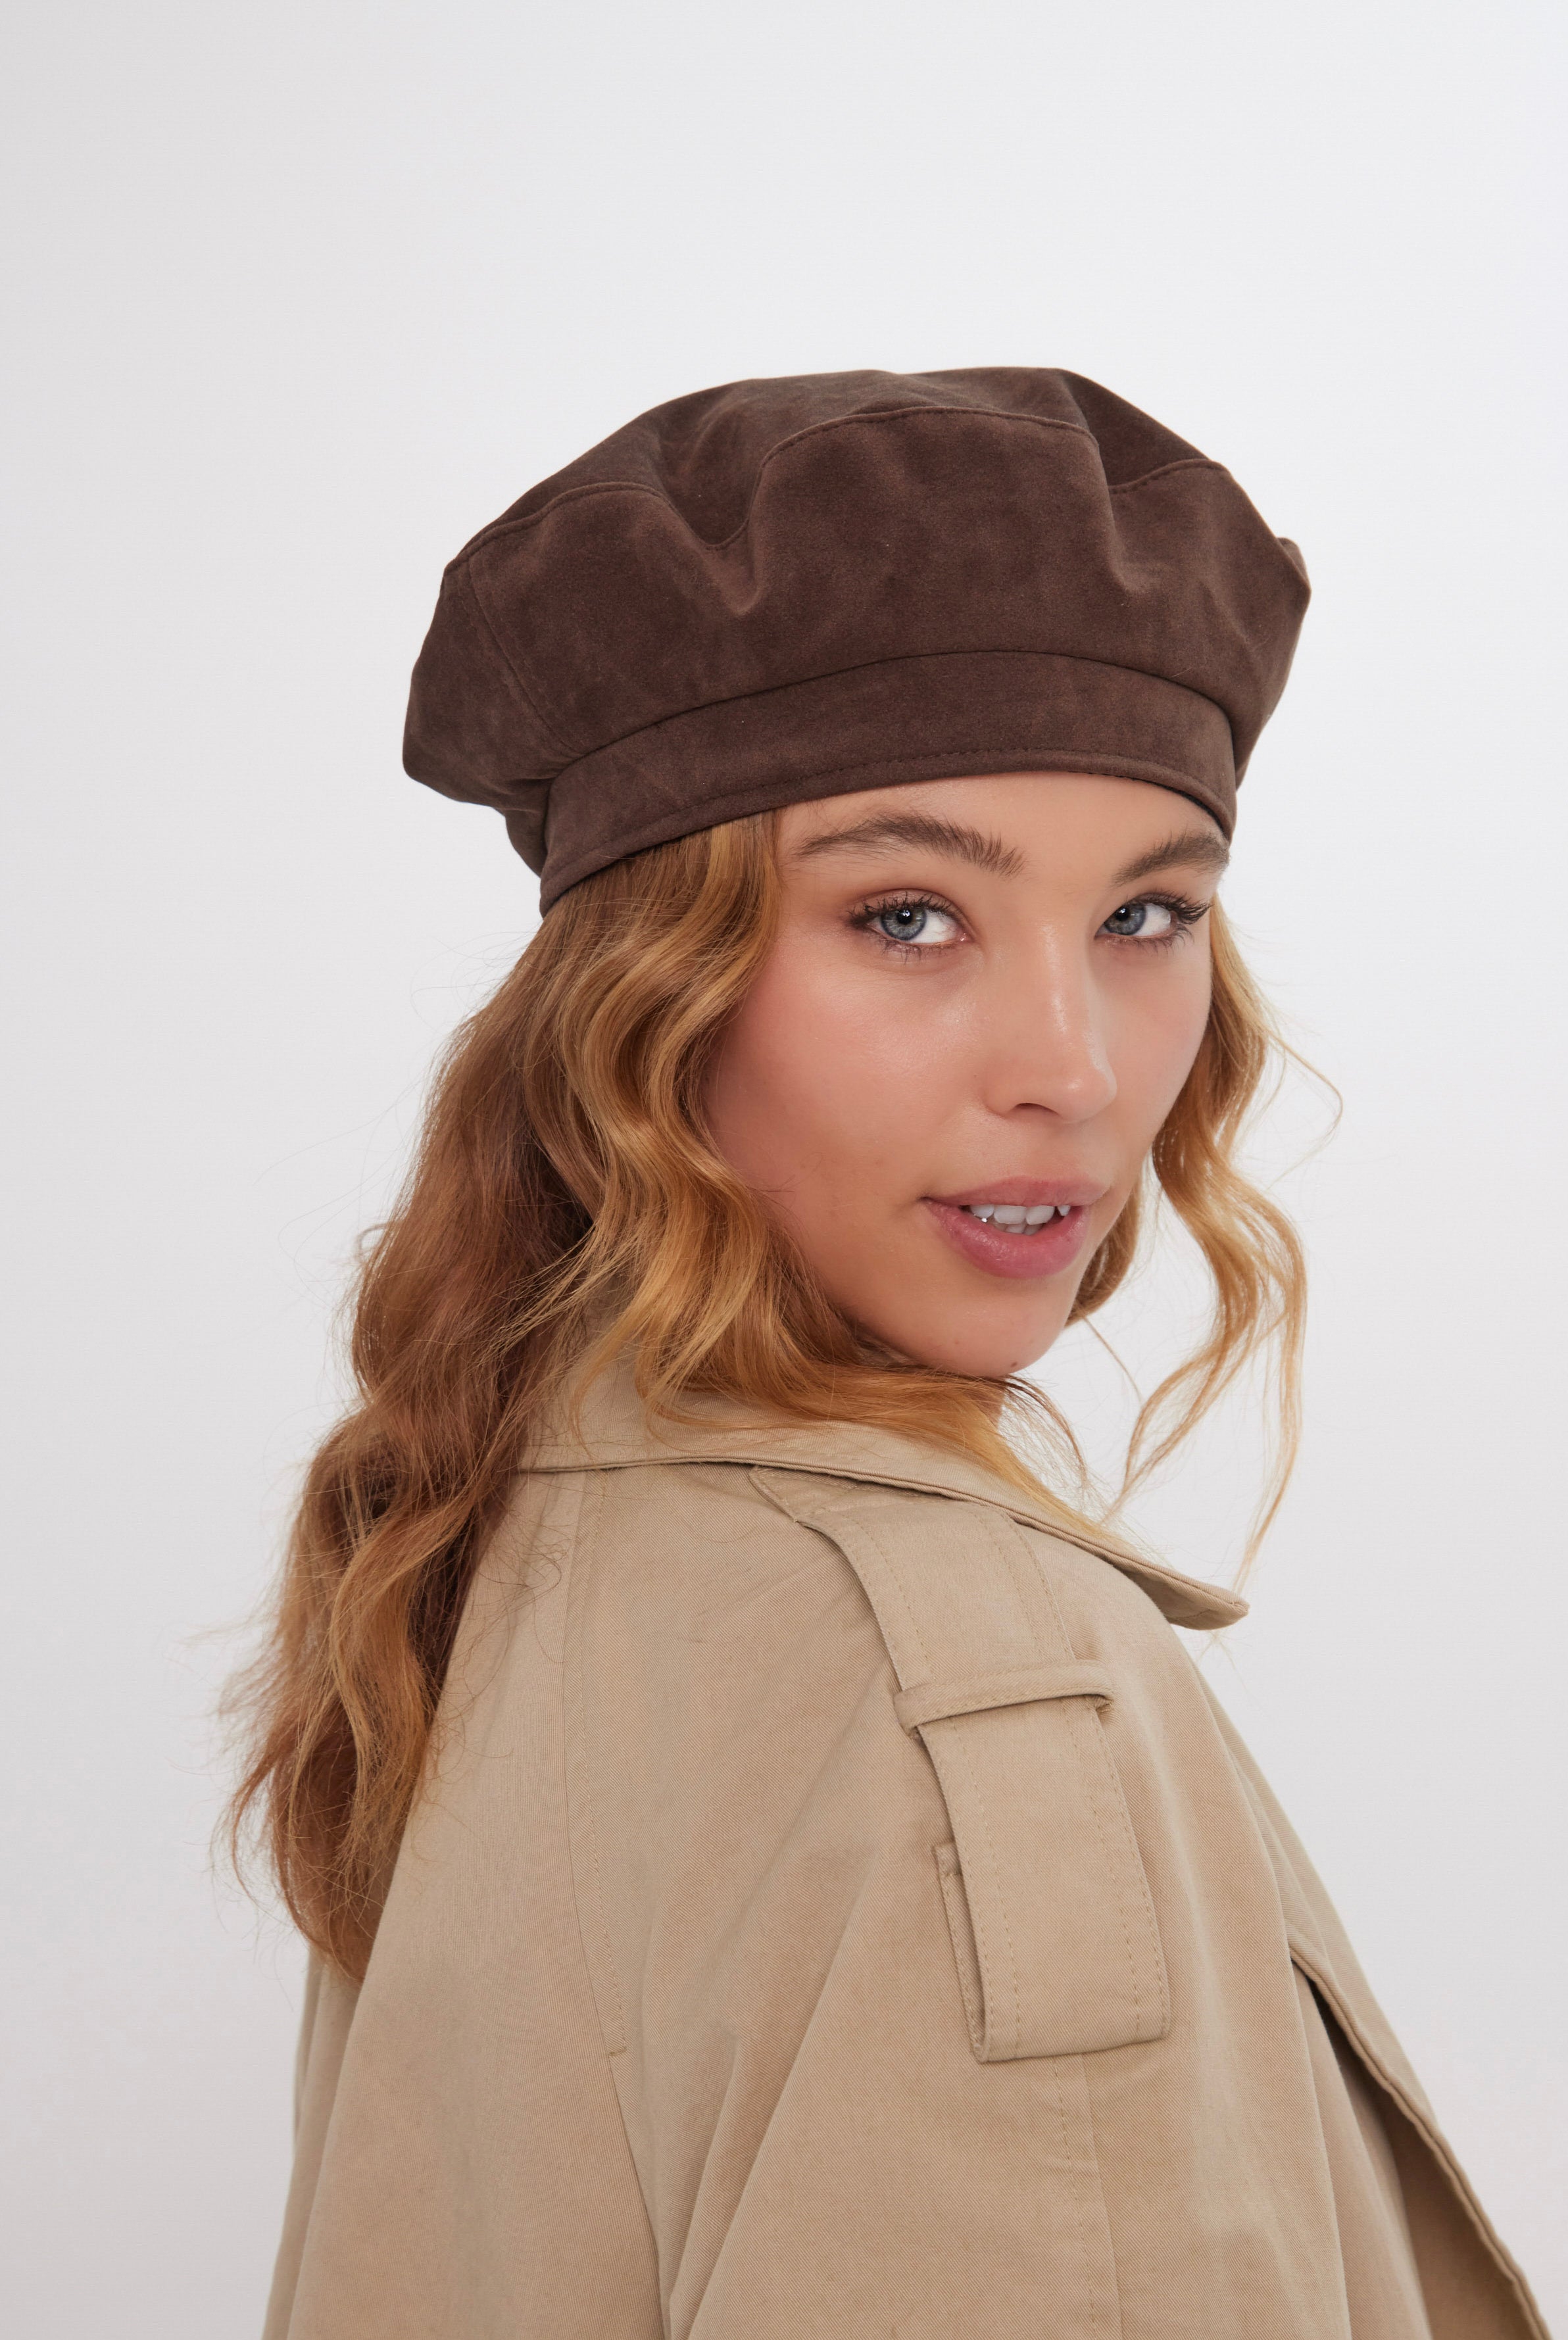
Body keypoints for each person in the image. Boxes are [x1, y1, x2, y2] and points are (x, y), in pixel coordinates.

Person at [235, 370, 1547, 2338]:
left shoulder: (524, 1529)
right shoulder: (974, 1688)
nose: (1077, 1069)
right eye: (912, 914)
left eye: (1148, 914)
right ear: (646, 996)